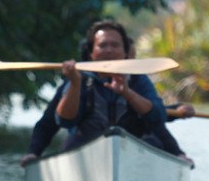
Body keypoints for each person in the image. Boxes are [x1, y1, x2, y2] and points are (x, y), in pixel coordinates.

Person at [19, 19, 184, 165]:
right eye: (103, 45)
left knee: (152, 138)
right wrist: (75, 84)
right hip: (84, 150)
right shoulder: (78, 79)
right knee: (70, 142)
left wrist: (127, 93)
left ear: (126, 52)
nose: (109, 50)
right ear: (91, 53)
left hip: (135, 152)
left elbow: (157, 119)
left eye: (115, 45)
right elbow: (61, 121)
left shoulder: (138, 80)